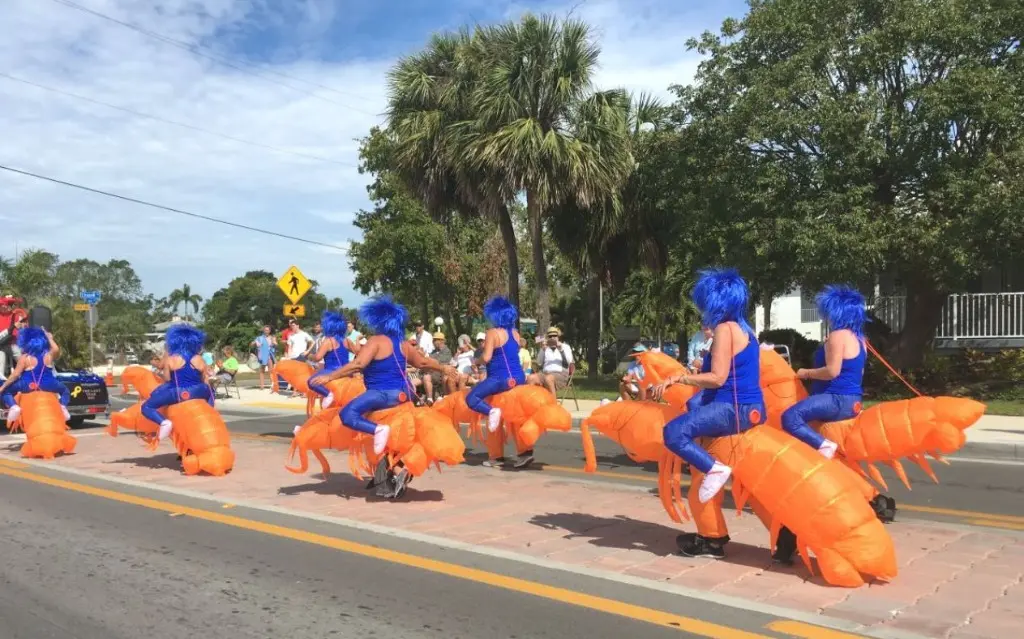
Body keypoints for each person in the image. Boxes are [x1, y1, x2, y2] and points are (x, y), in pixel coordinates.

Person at [651, 268, 766, 559]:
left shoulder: (725, 329)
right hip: (749, 407)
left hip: (732, 409)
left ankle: (714, 470)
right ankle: (714, 535)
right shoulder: (747, 330)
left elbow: (717, 377)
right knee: (691, 410)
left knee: (673, 432)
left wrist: (677, 379)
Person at [320, 296, 456, 497]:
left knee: (348, 415)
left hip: (380, 395)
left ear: (378, 321)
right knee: (395, 441)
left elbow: (358, 364)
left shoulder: (375, 341)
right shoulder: (403, 345)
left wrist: (330, 376)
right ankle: (394, 473)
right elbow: (423, 363)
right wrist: (444, 367)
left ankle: (378, 430)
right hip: (402, 396)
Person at [782, 285, 867, 459]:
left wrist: (805, 373)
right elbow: (860, 372)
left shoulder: (837, 336)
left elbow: (832, 371)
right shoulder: (860, 340)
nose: (826, 317)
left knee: (790, 417)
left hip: (836, 399)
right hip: (853, 400)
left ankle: (824, 446)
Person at [141, 324, 214, 444]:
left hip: (179, 392)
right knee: (210, 391)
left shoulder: (172, 358)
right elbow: (204, 379)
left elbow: (167, 378)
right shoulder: (199, 358)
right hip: (199, 391)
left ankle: (164, 423)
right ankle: (210, 414)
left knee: (146, 407)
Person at [466, 296, 526, 434]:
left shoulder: (492, 333)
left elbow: (486, 357)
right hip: (519, 377)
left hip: (499, 379)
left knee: (471, 398)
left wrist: (476, 361)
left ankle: (492, 411)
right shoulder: (515, 333)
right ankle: (524, 448)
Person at [0, 327, 71, 423]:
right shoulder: (48, 355)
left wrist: (3, 387)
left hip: (27, 384)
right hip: (48, 384)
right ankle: (62, 407)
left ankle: (14, 407)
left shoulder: (25, 358)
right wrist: (49, 338)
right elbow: (56, 348)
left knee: (6, 391)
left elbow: (15, 375)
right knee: (65, 391)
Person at [307, 310, 358, 409]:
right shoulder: (346, 340)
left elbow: (318, 357)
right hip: (346, 372)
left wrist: (309, 356)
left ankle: (328, 394)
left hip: (331, 371)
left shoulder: (328, 340)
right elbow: (358, 353)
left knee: (311, 381)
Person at [529, 327, 573, 395]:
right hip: (545, 373)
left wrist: (561, 350)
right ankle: (532, 402)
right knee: (531, 378)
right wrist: (543, 350)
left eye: (554, 336)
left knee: (548, 378)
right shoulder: (545, 347)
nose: (552, 338)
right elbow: (539, 362)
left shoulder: (565, 347)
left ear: (558, 337)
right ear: (548, 338)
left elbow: (569, 362)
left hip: (561, 374)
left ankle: (553, 403)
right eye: (550, 336)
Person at [250, 325, 277, 390]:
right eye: (265, 330)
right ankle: (262, 386)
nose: (266, 331)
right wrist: (255, 342)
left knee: (271, 371)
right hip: (262, 356)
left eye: (267, 330)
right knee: (262, 371)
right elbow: (251, 344)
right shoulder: (259, 338)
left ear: (270, 331)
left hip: (269, 355)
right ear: (263, 330)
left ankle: (273, 385)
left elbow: (276, 345)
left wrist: (274, 343)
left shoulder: (272, 337)